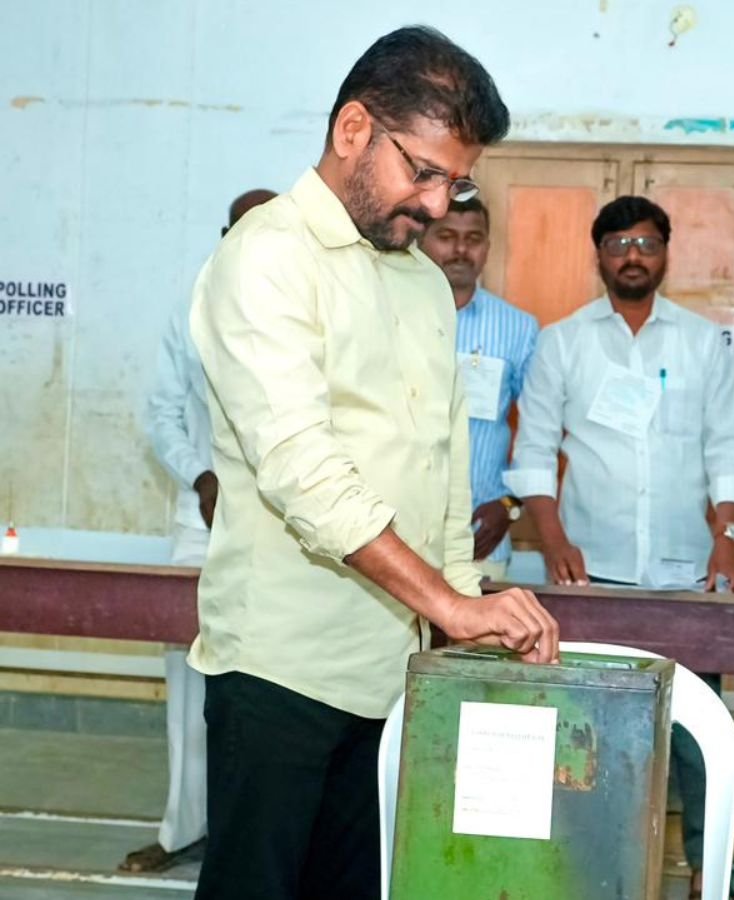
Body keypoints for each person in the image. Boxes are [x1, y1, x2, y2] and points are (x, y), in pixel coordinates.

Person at [187, 27, 558, 900]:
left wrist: (461, 608)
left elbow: (440, 461)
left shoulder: (420, 281)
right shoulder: (267, 256)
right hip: (279, 671)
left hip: (390, 675)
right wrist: (446, 605)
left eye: (455, 183)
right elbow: (302, 471)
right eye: (422, 172)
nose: (435, 205)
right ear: (353, 129)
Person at [506, 195, 734, 897]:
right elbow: (535, 450)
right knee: (590, 738)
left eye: (646, 243)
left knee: (696, 737)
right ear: (599, 255)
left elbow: (728, 445)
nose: (633, 256)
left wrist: (728, 536)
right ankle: (583, 873)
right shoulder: (563, 342)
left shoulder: (702, 342)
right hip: (591, 576)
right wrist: (552, 538)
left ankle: (707, 877)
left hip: (683, 577)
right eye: (619, 243)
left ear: (665, 254)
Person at [130, 189, 275, 873]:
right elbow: (162, 412)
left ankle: (256, 833)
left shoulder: (311, 305)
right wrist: (201, 476)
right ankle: (184, 828)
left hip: (289, 532)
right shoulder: (191, 307)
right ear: (225, 236)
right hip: (203, 522)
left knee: (274, 686)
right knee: (189, 683)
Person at [417, 195, 539, 582]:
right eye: (446, 236)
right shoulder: (390, 314)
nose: (460, 250)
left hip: (479, 540)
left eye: (473, 238)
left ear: (487, 247)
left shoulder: (519, 328)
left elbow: (540, 433)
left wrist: (511, 504)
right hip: (398, 534)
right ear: (422, 239)